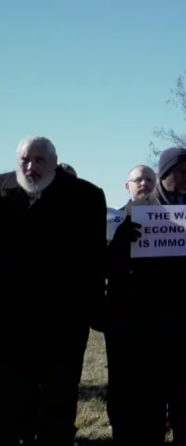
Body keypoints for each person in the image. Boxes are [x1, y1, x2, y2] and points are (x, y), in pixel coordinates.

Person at [0, 137, 107, 446]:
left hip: (63, 323)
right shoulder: (2, 192)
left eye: (40, 160)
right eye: (25, 159)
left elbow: (94, 261)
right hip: (10, 322)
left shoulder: (85, 197)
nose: (31, 166)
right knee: (11, 398)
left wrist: (92, 307)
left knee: (58, 399)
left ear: (55, 162)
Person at [106, 147, 186, 445]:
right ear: (164, 175)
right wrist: (122, 241)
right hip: (148, 324)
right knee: (149, 403)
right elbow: (112, 266)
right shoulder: (139, 209)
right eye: (180, 172)